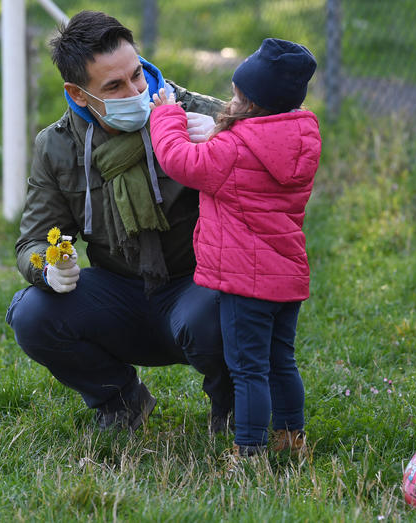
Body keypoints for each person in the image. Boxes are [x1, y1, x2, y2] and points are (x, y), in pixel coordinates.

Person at [5, 10, 234, 434]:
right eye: (114, 85)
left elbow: (284, 173)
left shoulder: (200, 114)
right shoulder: (58, 146)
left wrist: (233, 143)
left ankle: (233, 409)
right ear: (78, 93)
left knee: (221, 310)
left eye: (137, 75)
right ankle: (121, 402)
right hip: (118, 294)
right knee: (31, 314)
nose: (135, 91)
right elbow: (32, 242)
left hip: (197, 286)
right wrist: (47, 268)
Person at [149, 38, 321, 456]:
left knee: (248, 370)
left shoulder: (232, 149)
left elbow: (178, 161)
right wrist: (222, 134)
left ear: (250, 102)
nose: (230, 99)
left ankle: (249, 452)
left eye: (236, 93)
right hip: (287, 276)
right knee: (282, 362)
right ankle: (290, 437)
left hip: (245, 282)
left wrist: (165, 116)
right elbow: (251, 149)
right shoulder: (300, 137)